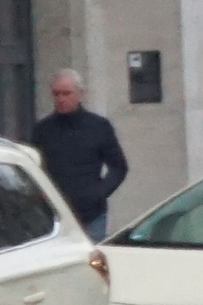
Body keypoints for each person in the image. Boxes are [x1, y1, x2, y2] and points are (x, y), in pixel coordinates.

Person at [29, 70, 129, 239]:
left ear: (80, 94)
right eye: (56, 94)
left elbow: (119, 167)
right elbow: (34, 168)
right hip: (55, 215)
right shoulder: (43, 130)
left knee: (91, 261)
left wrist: (99, 193)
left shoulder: (99, 127)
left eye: (66, 93)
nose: (61, 99)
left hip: (92, 215)